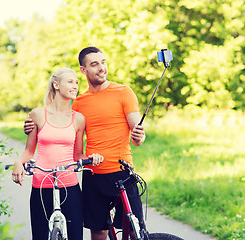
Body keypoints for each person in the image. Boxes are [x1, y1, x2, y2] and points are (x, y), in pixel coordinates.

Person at [24, 47, 146, 240]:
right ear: (83, 70)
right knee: (98, 232)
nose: (101, 68)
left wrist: (139, 135)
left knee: (134, 229)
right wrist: (33, 126)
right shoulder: (79, 102)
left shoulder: (124, 92)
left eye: (103, 62)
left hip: (123, 172)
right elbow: (62, 126)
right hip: (93, 175)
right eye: (94, 64)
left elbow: (137, 134)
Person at [12, 67, 103, 240]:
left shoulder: (78, 118)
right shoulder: (37, 114)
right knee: (40, 236)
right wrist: (18, 163)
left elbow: (78, 156)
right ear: (56, 85)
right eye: (70, 81)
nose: (75, 85)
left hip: (70, 185)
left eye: (77, 82)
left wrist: (92, 158)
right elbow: (28, 152)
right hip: (41, 185)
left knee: (75, 236)